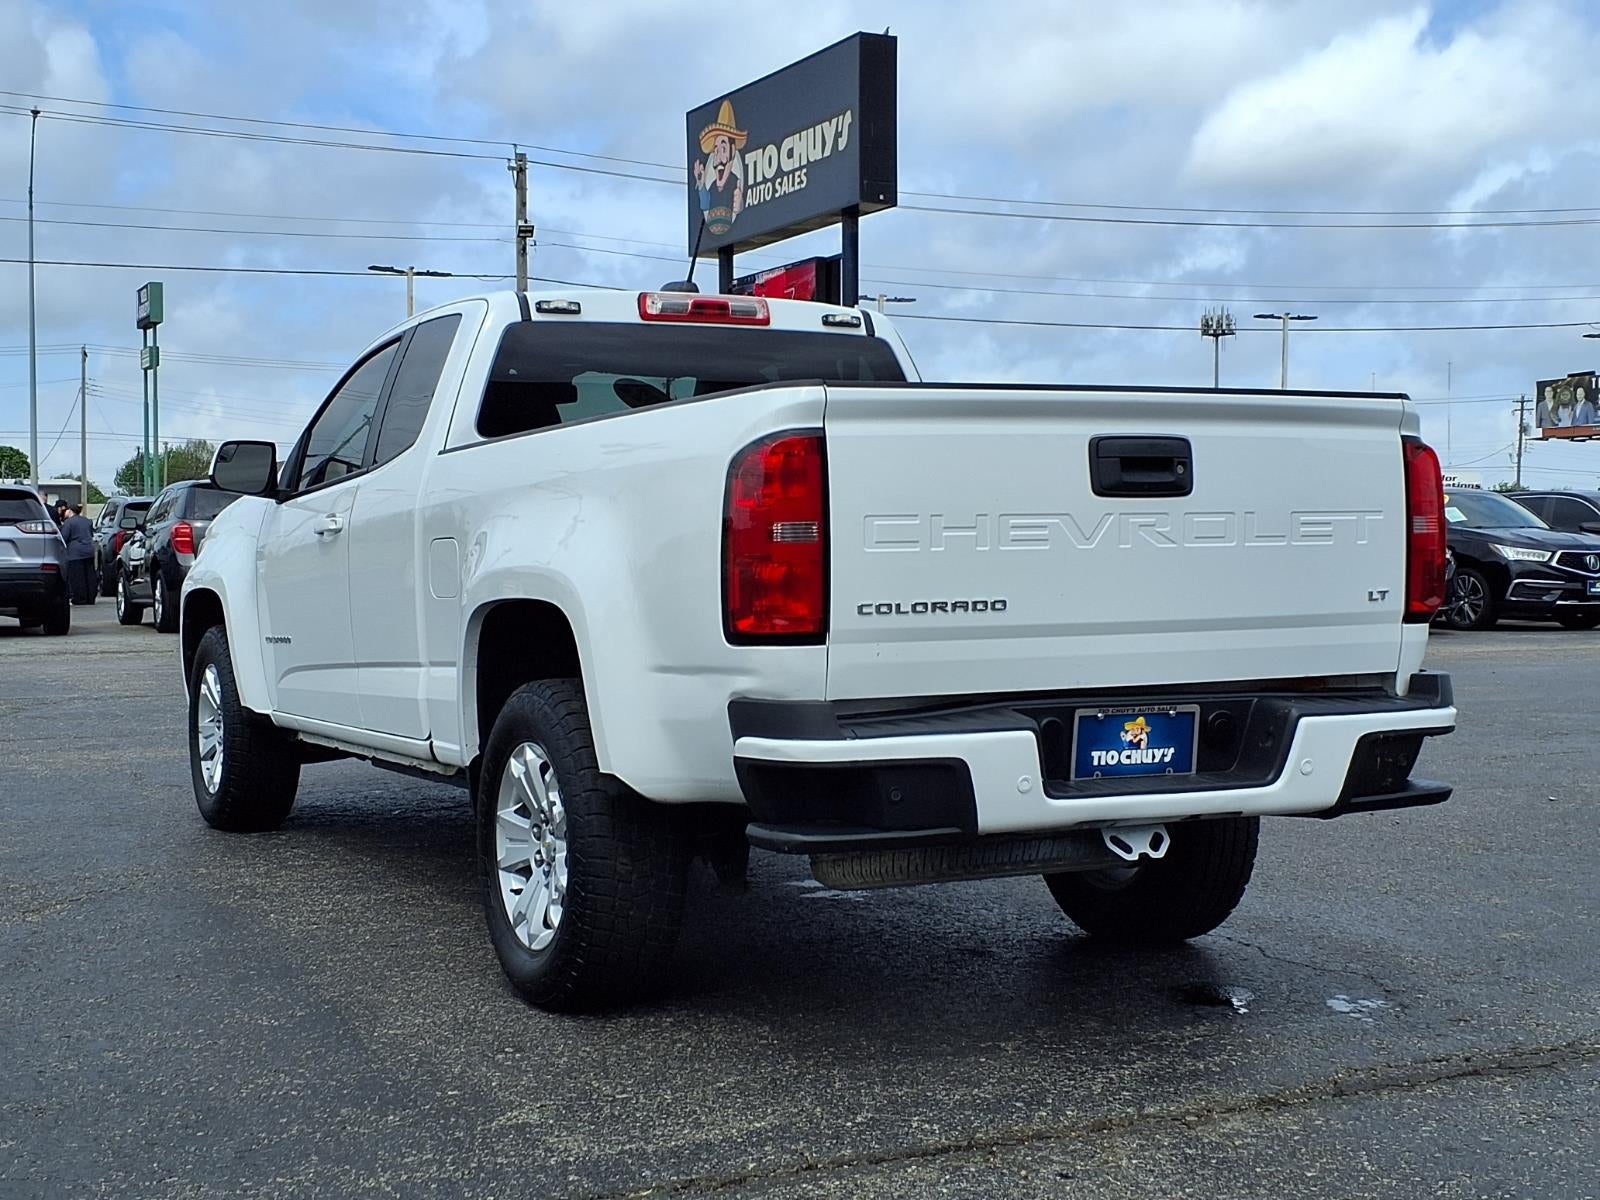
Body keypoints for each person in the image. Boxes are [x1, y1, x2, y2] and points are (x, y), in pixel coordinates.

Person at [60, 504, 96, 605]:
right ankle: (91, 597)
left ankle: (80, 598)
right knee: (90, 575)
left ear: (70, 511)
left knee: (77, 576)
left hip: (75, 552)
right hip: (89, 550)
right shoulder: (87, 521)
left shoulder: (68, 522)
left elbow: (64, 538)